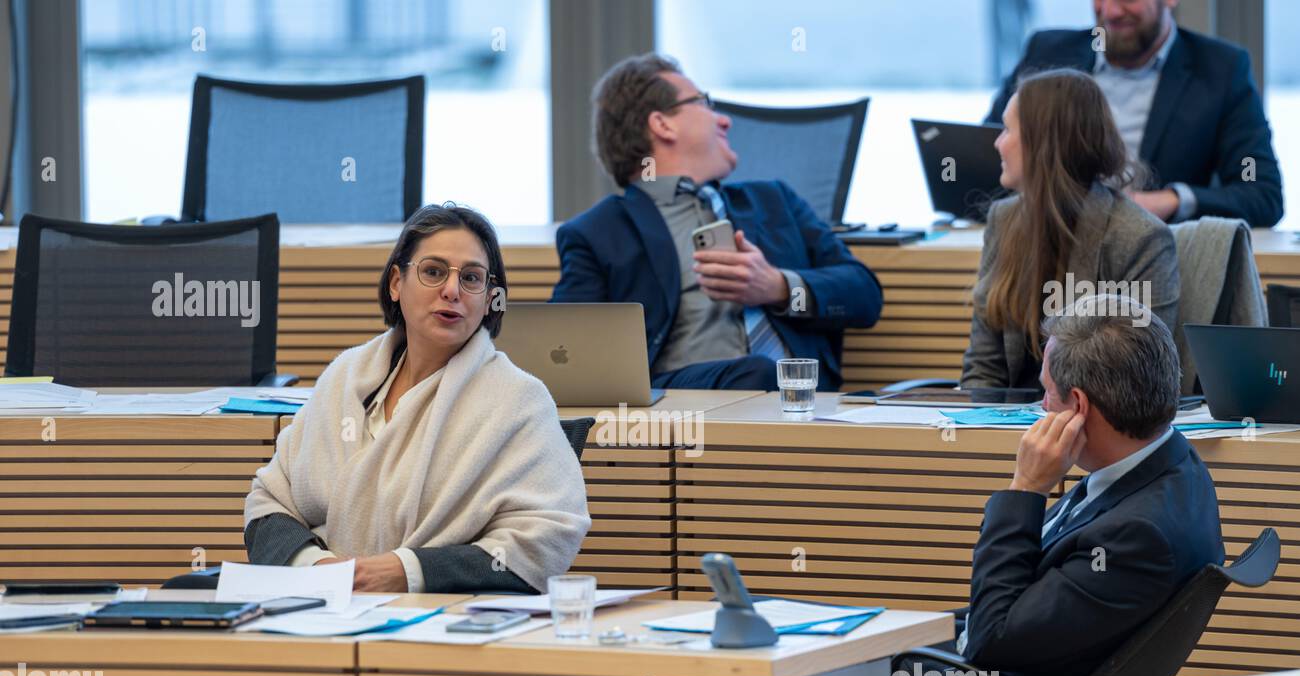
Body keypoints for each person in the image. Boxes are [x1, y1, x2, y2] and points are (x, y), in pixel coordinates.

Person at [894, 297, 1224, 676]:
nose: (1038, 408)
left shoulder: (1137, 536)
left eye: (1044, 392)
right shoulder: (1169, 464)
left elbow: (990, 640)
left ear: (1076, 406)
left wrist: (1025, 489)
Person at [244, 204, 591, 593]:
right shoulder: (344, 378)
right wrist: (319, 567)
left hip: (445, 622)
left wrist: (404, 572)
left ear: (490, 298)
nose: (452, 290)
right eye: (433, 271)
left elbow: (548, 536)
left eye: (472, 278)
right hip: (315, 611)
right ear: (396, 282)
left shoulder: (518, 400)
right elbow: (268, 505)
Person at [550, 53, 883, 391]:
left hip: (805, 405)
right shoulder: (598, 232)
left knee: (766, 376)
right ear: (662, 124)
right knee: (758, 374)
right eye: (704, 103)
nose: (725, 121)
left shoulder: (774, 200)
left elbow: (864, 295)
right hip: (681, 409)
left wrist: (778, 286)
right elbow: (566, 354)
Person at [962, 68, 1179, 390]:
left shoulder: (1140, 237)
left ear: (1042, 143)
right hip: (1010, 427)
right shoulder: (1003, 219)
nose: (997, 143)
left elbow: (1143, 379)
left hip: (1097, 426)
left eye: (1007, 130)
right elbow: (983, 369)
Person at [986, 0, 1283, 227]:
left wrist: (1170, 201)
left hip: (1156, 255)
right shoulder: (1048, 53)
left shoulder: (1221, 70)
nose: (1111, 12)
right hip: (1047, 243)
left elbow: (1260, 191)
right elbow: (986, 152)